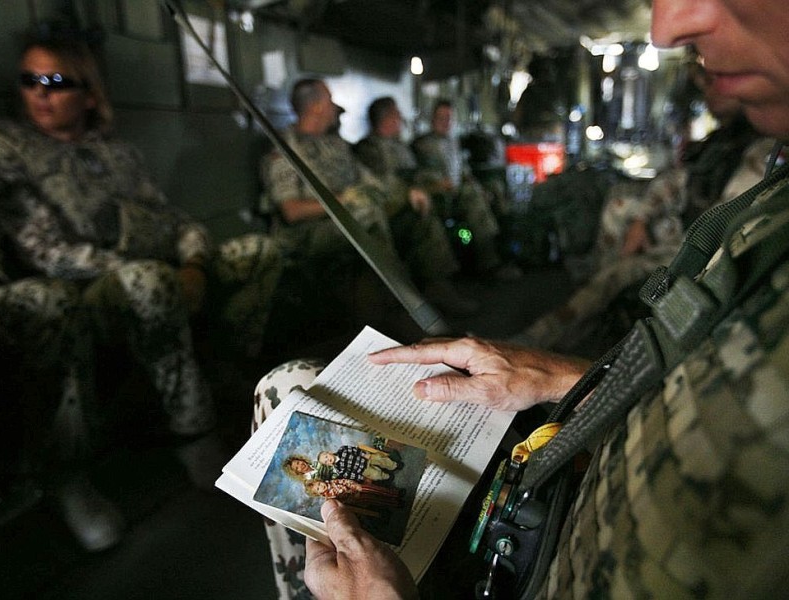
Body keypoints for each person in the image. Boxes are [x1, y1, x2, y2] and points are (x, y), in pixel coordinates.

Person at [254, 1, 789, 598]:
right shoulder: (772, 206)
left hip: (546, 550)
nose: (668, 27)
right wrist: (568, 380)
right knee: (304, 387)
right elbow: (699, 403)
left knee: (287, 397)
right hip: (558, 493)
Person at [0, 34, 283, 550]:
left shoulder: (116, 153)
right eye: (29, 80)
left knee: (257, 251)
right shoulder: (8, 148)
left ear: (87, 91)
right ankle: (193, 431)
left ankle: (227, 373)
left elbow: (172, 218)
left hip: (153, 271)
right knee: (147, 281)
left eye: (56, 82)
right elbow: (45, 251)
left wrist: (192, 260)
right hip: (89, 286)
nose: (41, 92)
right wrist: (143, 265)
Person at [519, 73, 774, 356]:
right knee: (620, 205)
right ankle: (595, 296)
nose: (711, 92)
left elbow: (725, 221)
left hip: (707, 249)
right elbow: (675, 181)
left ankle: (546, 334)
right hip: (687, 229)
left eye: (721, 84)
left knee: (615, 276)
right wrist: (640, 220)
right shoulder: (721, 142)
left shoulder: (763, 150)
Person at [262, 78, 477, 318]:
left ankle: (438, 289)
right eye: (330, 101)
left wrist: (407, 193)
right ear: (317, 106)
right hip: (307, 233)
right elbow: (291, 211)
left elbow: (370, 180)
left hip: (349, 217)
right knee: (367, 213)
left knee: (414, 213)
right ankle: (393, 304)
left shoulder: (335, 144)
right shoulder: (285, 149)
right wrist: (344, 200)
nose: (335, 107)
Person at [412, 99, 522, 281]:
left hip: (455, 191)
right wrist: (438, 185)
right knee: (473, 200)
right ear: (433, 119)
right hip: (437, 195)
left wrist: (478, 188)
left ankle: (505, 245)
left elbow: (463, 173)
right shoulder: (422, 145)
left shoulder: (452, 143)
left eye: (449, 118)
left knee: (490, 191)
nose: (445, 122)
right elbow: (417, 177)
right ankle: (490, 263)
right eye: (441, 118)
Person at [304, 478, 403, 509]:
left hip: (356, 488)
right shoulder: (329, 498)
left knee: (370, 489)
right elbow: (344, 502)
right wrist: (354, 497)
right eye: (318, 488)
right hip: (356, 498)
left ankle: (394, 494)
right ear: (318, 493)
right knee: (374, 500)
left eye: (319, 484)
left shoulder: (332, 482)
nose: (321, 486)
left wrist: (355, 486)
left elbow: (345, 481)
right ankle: (393, 503)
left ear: (320, 481)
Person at [317, 445, 398, 482]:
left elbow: (355, 450)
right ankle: (386, 476)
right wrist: (362, 478)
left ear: (329, 452)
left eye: (326, 457)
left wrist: (364, 454)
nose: (328, 460)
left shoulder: (342, 449)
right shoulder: (339, 469)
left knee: (379, 459)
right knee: (376, 475)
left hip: (365, 459)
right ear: (328, 465)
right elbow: (351, 475)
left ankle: (393, 465)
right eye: (326, 462)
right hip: (363, 470)